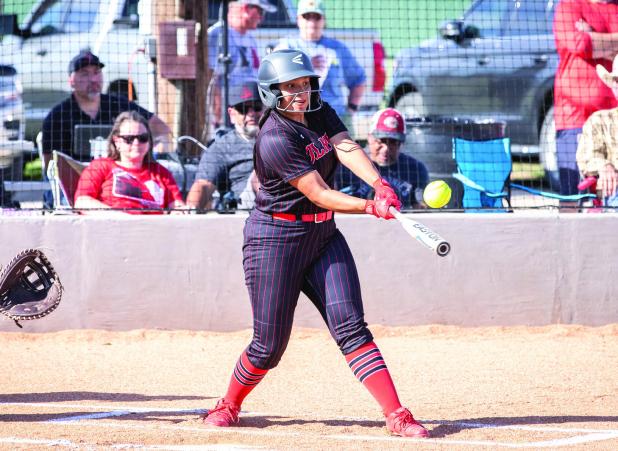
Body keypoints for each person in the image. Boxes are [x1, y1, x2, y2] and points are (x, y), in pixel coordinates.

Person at [200, 49, 429, 439]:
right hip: (275, 240)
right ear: (271, 92)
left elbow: (345, 145)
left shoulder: (318, 110)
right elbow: (319, 192)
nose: (301, 93)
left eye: (305, 84)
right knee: (268, 346)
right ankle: (229, 403)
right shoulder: (274, 138)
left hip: (323, 236)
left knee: (352, 328)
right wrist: (371, 207)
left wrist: (379, 183)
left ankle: (397, 414)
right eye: (291, 87)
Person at [42, 50, 171, 167]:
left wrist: (153, 158)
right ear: (71, 81)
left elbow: (163, 130)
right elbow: (51, 165)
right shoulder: (57, 117)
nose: (93, 79)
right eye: (85, 74)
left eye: (96, 72)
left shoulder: (119, 105)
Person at [553, 0, 618, 199]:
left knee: (609, 191)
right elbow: (581, 43)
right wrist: (602, 44)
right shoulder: (570, 6)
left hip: (612, 123)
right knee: (572, 196)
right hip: (574, 117)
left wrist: (595, 37)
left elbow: (588, 44)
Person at [274, 0, 366, 128]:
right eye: (307, 16)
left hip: (335, 119)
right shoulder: (286, 46)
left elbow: (359, 80)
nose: (312, 22)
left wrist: (351, 110)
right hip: (298, 120)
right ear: (298, 19)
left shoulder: (337, 48)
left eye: (317, 17)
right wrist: (306, 66)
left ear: (324, 20)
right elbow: (274, 80)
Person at [74, 111, 184, 214]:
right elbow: (82, 202)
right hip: (111, 229)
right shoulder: (100, 166)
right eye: (129, 139)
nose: (136, 143)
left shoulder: (161, 173)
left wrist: (181, 211)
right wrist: (122, 219)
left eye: (143, 138)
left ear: (149, 141)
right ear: (116, 141)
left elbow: (177, 206)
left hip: (153, 231)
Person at [186, 80, 262, 211]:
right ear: (232, 114)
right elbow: (203, 185)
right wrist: (191, 209)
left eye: (256, 107)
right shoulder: (221, 147)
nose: (251, 114)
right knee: (263, 171)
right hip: (246, 208)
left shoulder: (281, 137)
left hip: (287, 199)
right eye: (243, 109)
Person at [336, 108, 429, 209]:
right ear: (369, 138)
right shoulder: (346, 165)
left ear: (401, 143)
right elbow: (333, 206)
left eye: (393, 142)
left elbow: (419, 208)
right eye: (381, 141)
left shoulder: (415, 169)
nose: (386, 148)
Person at [207, 0, 276, 131]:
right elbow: (211, 78)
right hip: (232, 110)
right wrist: (219, 117)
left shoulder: (250, 37)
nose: (262, 17)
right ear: (245, 8)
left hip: (252, 106)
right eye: (260, 11)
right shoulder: (218, 33)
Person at [576, 54, 618, 206]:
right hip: (611, 192)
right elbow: (586, 159)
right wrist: (604, 166)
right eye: (617, 80)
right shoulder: (599, 120)